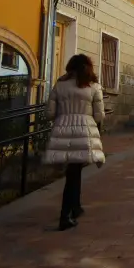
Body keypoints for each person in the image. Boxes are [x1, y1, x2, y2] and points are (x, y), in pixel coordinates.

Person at [43, 54, 105, 230]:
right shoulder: (93, 86)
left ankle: (75, 207)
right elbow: (99, 115)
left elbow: (49, 113)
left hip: (62, 128)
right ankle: (66, 214)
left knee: (72, 171)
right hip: (84, 129)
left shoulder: (59, 85)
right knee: (75, 170)